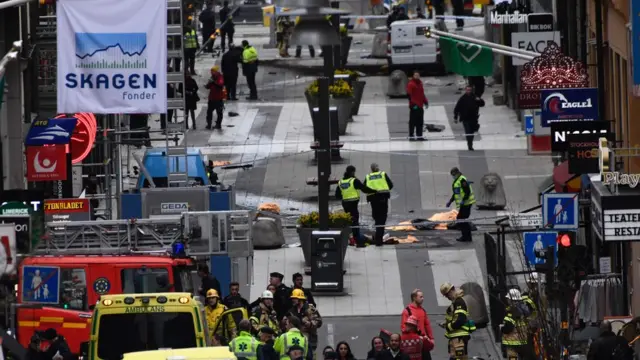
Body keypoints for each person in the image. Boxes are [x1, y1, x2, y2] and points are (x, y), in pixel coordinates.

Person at [335, 165, 376, 247]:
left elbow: (337, 195)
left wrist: (345, 195)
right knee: (355, 221)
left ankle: (352, 237)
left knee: (349, 220)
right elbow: (364, 188)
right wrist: (374, 191)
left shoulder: (341, 182)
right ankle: (358, 239)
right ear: (353, 172)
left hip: (345, 203)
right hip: (353, 204)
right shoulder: (354, 181)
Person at [439, 282, 475, 360]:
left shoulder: (459, 302)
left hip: (459, 337)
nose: (447, 297)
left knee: (458, 358)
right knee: (456, 357)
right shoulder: (455, 303)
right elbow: (456, 318)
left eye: (447, 295)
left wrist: (448, 327)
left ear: (451, 291)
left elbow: (460, 320)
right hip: (457, 337)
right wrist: (446, 323)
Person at [363, 163, 394, 246]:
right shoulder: (382, 174)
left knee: (376, 216)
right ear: (378, 168)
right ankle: (379, 239)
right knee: (382, 218)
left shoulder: (368, 176)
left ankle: (378, 234)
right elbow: (390, 185)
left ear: (371, 169)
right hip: (383, 198)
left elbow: (364, 188)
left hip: (373, 199)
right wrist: (384, 190)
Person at [446, 167, 476, 243]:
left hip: (467, 203)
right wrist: (450, 201)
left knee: (461, 219)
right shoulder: (457, 180)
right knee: (462, 219)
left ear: (457, 173)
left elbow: (467, 192)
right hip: (464, 204)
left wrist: (463, 200)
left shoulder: (462, 180)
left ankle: (466, 237)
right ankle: (466, 237)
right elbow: (456, 193)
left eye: (453, 174)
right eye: (452, 175)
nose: (453, 176)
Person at [288, 289, 322, 354]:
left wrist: (310, 324)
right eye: (292, 298)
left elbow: (319, 321)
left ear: (300, 299)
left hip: (310, 340)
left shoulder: (310, 308)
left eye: (294, 298)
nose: (293, 300)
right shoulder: (291, 310)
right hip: (296, 340)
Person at [501, 289, 531, 360]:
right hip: (523, 342)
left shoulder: (511, 312)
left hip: (512, 344)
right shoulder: (524, 311)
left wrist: (502, 328)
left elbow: (508, 329)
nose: (507, 300)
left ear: (511, 300)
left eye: (508, 299)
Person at [453, 85, 484, 151]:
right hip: (465, 118)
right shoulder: (462, 98)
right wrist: (455, 117)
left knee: (472, 132)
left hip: (473, 118)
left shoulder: (475, 97)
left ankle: (470, 143)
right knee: (468, 131)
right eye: (467, 90)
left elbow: (482, 104)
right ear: (465, 90)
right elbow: (457, 108)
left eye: (470, 90)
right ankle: (469, 145)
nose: (469, 91)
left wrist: (480, 100)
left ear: (471, 90)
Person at [405, 71, 429, 141]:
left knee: (420, 122)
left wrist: (425, 101)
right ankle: (411, 136)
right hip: (414, 106)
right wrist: (413, 104)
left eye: (418, 75)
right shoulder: (411, 84)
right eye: (415, 75)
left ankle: (419, 136)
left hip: (420, 105)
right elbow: (409, 95)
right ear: (413, 76)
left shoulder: (420, 83)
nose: (417, 77)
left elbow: (422, 94)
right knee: (412, 122)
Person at [205, 65, 225, 130]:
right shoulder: (212, 77)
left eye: (212, 71)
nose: (211, 72)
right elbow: (208, 86)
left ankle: (218, 124)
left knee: (219, 112)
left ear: (216, 71)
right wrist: (207, 85)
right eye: (211, 71)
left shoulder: (220, 77)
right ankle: (209, 124)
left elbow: (220, 85)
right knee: (209, 112)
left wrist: (213, 82)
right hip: (211, 98)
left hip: (218, 98)